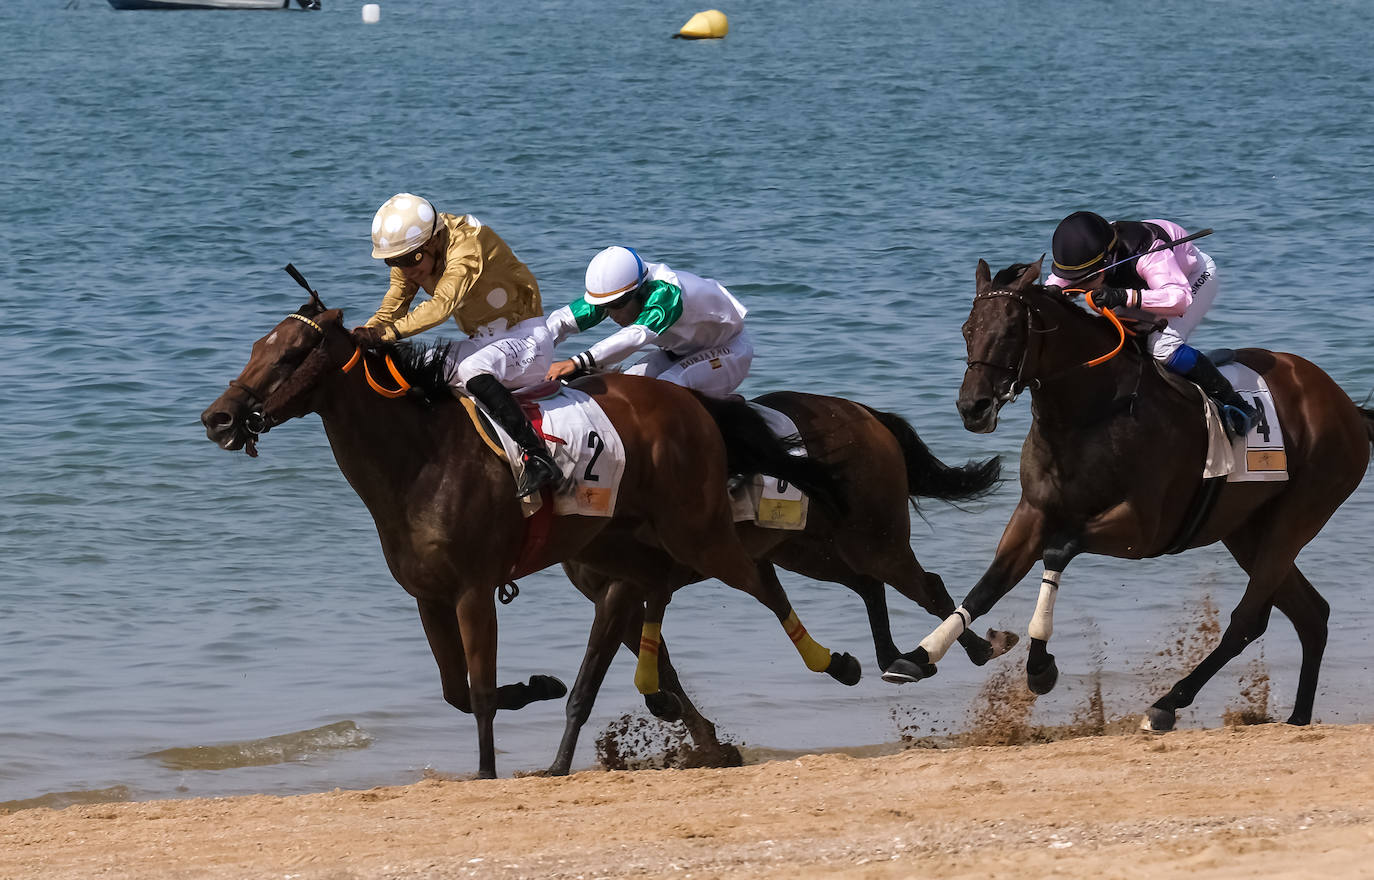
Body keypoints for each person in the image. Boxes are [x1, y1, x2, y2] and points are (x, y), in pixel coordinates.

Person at [355, 193, 557, 498]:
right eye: (393, 262)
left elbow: (441, 306)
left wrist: (385, 335)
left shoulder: (467, 245)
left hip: (527, 339)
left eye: (411, 260)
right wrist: (359, 336)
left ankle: (537, 455)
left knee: (472, 368)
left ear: (433, 240)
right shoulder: (412, 253)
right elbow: (393, 308)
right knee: (422, 365)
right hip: (483, 340)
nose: (406, 269)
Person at [1047, 210, 1258, 437]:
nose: (1080, 285)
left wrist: (1125, 297)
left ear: (1106, 262)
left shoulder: (1148, 253)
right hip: (1139, 285)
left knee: (1162, 346)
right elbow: (1054, 290)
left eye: (1086, 279)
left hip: (1188, 280)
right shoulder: (1082, 253)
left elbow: (1179, 300)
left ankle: (1237, 404)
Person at [544, 246, 752, 398]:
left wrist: (573, 363)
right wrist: (531, 352)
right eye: (606, 306)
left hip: (728, 350)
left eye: (618, 304)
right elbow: (561, 320)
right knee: (626, 387)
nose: (612, 313)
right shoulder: (619, 290)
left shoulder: (667, 293)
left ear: (640, 290)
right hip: (676, 353)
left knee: (664, 388)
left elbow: (636, 336)